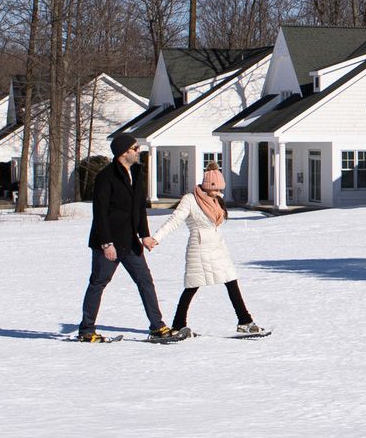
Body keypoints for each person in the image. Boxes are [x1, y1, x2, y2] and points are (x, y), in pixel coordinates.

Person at [76, 136, 181, 343]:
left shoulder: (135, 172)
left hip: (130, 242)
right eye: (135, 148)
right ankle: (86, 330)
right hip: (108, 244)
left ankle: (157, 327)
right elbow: (100, 213)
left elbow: (139, 208)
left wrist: (145, 235)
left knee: (145, 281)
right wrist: (106, 243)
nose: (138, 151)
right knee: (98, 283)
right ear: (124, 152)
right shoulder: (106, 177)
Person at [151, 161, 268, 338]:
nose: (217, 193)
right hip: (199, 248)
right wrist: (156, 238)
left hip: (218, 248)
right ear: (206, 186)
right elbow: (174, 220)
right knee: (192, 285)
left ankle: (245, 321)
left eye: (220, 190)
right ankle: (178, 325)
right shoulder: (190, 199)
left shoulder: (216, 200)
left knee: (231, 281)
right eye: (215, 189)